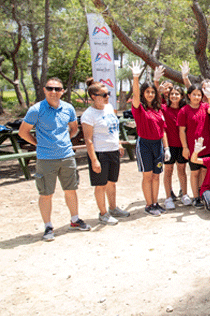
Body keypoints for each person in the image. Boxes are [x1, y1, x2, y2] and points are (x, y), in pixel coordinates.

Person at [18, 77, 90, 241]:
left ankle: (75, 220)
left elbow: (73, 129)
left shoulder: (68, 108)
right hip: (46, 159)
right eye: (50, 88)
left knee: (71, 190)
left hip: (67, 157)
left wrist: (63, 142)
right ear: (44, 90)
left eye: (57, 89)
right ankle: (48, 227)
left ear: (62, 91)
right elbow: (23, 132)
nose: (53, 92)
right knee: (46, 194)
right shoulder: (36, 110)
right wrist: (38, 144)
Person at [81, 78, 129, 225]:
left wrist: (119, 143)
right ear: (94, 97)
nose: (108, 96)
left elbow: (114, 129)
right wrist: (94, 159)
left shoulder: (109, 108)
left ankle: (113, 208)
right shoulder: (88, 115)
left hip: (113, 150)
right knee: (100, 184)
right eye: (104, 95)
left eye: (108, 93)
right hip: (100, 153)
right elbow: (88, 140)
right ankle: (103, 214)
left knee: (112, 182)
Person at [129, 62, 170, 216]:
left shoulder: (158, 109)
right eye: (147, 92)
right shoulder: (139, 108)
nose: (150, 94)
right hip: (144, 144)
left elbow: (163, 130)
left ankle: (155, 202)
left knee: (156, 175)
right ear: (143, 93)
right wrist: (135, 77)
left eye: (152, 92)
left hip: (157, 145)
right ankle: (148, 205)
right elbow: (135, 95)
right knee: (147, 175)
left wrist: (166, 148)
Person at [178, 83, 210, 209]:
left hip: (206, 146)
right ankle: (195, 197)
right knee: (194, 172)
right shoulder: (184, 110)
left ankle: (202, 195)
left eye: (199, 95)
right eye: (194, 94)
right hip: (193, 149)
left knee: (204, 172)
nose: (196, 97)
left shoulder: (205, 106)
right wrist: (185, 147)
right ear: (189, 95)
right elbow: (182, 131)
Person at [162, 86, 191, 209]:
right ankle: (168, 198)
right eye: (172, 94)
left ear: (182, 96)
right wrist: (166, 148)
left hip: (182, 146)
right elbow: (163, 129)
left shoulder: (184, 109)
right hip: (169, 145)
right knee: (168, 171)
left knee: (182, 170)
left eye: (177, 94)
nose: (174, 96)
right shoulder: (164, 109)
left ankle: (184, 194)